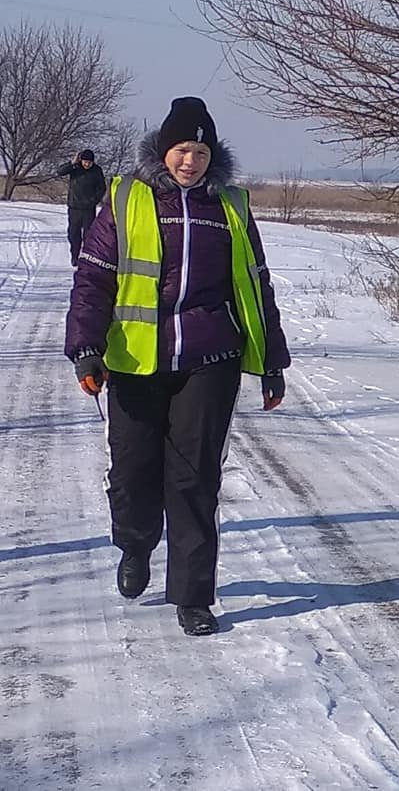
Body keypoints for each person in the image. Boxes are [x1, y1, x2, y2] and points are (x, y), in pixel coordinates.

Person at [64, 97, 290, 636]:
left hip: (210, 356)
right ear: (164, 151)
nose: (191, 161)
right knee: (133, 472)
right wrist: (85, 348)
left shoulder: (230, 205)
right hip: (135, 358)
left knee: (194, 478)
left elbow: (257, 285)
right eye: (182, 150)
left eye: (201, 151)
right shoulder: (126, 198)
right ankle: (136, 547)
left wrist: (273, 361)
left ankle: (192, 595)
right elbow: (93, 279)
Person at [57, 149, 107, 267]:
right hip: (74, 207)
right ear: (81, 160)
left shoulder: (97, 170)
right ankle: (75, 256)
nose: (87, 164)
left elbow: (101, 188)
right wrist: (72, 163)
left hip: (88, 209)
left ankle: (86, 257)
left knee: (88, 235)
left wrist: (93, 201)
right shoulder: (75, 168)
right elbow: (59, 172)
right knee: (73, 234)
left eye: (89, 162)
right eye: (85, 162)